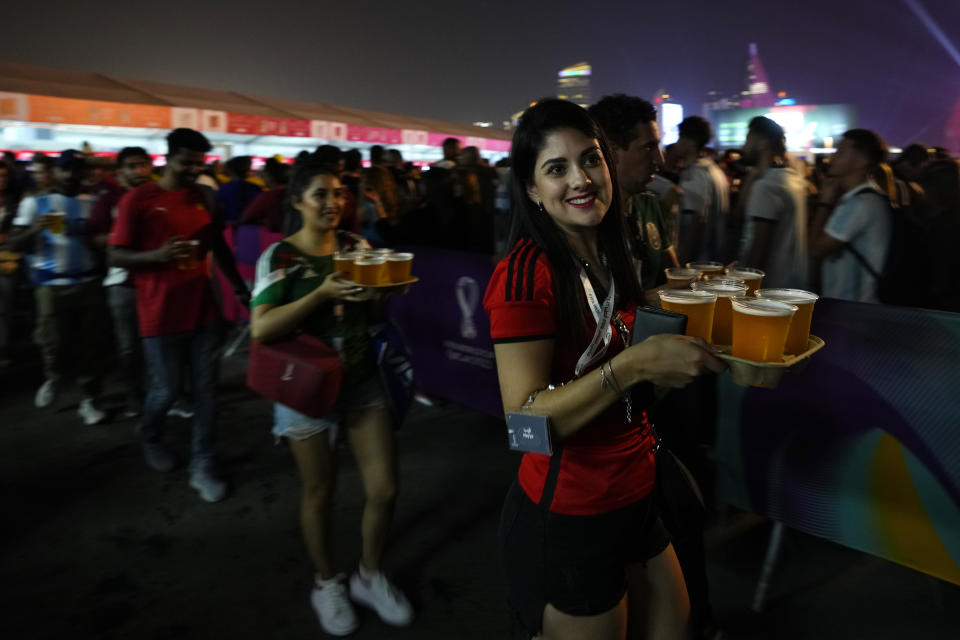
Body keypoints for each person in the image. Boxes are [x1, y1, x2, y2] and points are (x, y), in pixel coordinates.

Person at [483, 98, 725, 640]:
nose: (581, 179)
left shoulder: (612, 251)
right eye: (556, 168)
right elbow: (523, 424)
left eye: (590, 159)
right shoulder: (528, 273)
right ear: (530, 189)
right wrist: (632, 367)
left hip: (635, 487)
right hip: (571, 510)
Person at [250, 157, 413, 636]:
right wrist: (321, 293)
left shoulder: (357, 246)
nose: (333, 202)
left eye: (339, 193)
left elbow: (371, 313)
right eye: (321, 194)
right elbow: (261, 328)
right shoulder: (279, 258)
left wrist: (387, 292)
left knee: (384, 487)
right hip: (304, 387)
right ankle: (327, 582)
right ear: (298, 200)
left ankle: (369, 574)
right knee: (319, 492)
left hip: (361, 380)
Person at [108, 128, 250, 502]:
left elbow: (217, 247)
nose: (192, 170)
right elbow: (115, 254)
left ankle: (202, 463)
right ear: (167, 158)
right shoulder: (138, 200)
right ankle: (149, 434)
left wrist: (238, 288)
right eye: (186, 162)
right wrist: (155, 258)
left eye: (199, 164)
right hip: (159, 314)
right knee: (166, 390)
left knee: (205, 393)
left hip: (203, 313)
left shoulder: (204, 197)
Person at [9, 149, 108, 424]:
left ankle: (90, 398)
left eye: (76, 169)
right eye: (65, 169)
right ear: (56, 171)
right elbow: (14, 243)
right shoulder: (36, 203)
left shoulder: (93, 202)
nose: (70, 174)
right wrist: (35, 228)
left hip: (88, 282)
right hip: (51, 285)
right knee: (52, 342)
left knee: (91, 345)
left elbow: (101, 240)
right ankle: (53, 377)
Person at [588, 94, 680, 292]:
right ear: (611, 152)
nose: (660, 160)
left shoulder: (649, 205)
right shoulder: (587, 218)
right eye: (649, 147)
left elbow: (672, 276)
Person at [89, 147, 154, 417]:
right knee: (129, 347)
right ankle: (134, 399)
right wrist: (125, 237)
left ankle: (167, 395)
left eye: (142, 165)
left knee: (159, 344)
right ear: (120, 171)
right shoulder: (109, 199)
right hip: (122, 283)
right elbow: (95, 237)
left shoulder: (159, 195)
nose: (137, 171)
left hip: (155, 281)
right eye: (131, 166)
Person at [809, 129, 892, 303]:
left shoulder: (860, 204)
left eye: (840, 152)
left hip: (853, 308)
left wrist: (824, 202)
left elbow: (815, 249)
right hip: (852, 306)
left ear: (861, 161)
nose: (833, 157)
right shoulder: (865, 198)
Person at [737, 116, 810, 289]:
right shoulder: (793, 178)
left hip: (770, 289)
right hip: (791, 284)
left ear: (762, 143)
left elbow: (759, 245)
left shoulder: (766, 186)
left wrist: (745, 287)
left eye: (748, 139)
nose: (743, 147)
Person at [674, 117, 730, 263]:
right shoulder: (715, 170)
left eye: (680, 137)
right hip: (715, 258)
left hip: (699, 261)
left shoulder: (694, 174)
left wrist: (682, 257)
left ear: (691, 143)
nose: (677, 143)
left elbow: (696, 220)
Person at [241, 157, 289, 232]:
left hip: (274, 236)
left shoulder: (268, 196)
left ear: (270, 176)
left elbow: (245, 217)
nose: (263, 179)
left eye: (264, 176)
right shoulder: (294, 192)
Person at [218, 156, 262, 226]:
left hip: (229, 228)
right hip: (252, 228)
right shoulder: (256, 188)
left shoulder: (224, 189)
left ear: (231, 170)